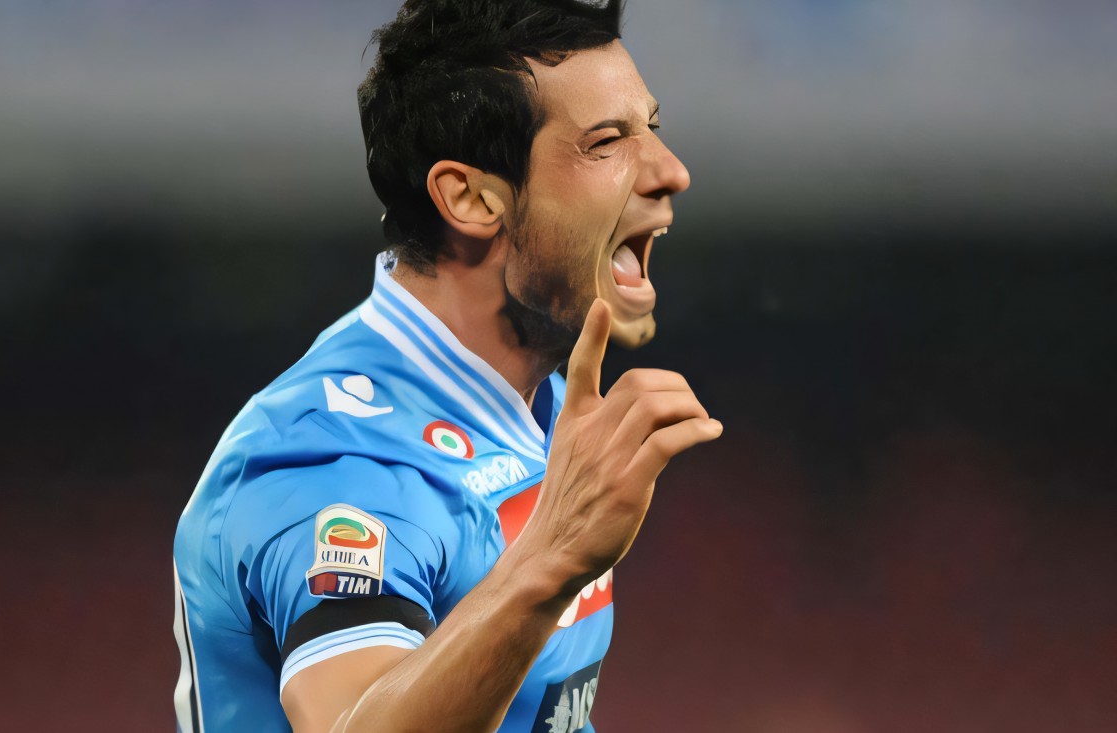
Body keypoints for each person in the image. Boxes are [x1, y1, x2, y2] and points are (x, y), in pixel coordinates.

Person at [172, 1, 721, 731]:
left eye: (650, 127)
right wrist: (550, 557)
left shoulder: (538, 398)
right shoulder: (339, 464)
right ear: (469, 197)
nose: (670, 171)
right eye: (606, 142)